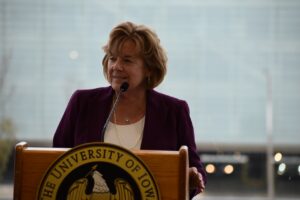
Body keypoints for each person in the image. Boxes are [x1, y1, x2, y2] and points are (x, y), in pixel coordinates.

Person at [53, 21, 206, 197]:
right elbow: (55, 159)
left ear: (149, 68)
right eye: (112, 58)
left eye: (127, 60)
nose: (116, 66)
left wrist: (192, 178)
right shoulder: (83, 103)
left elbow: (195, 170)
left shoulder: (173, 111)